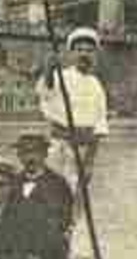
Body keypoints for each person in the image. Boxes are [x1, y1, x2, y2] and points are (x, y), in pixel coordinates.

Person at [38, 27, 108, 191]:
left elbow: (99, 125)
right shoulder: (60, 76)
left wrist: (90, 162)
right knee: (53, 190)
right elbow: (45, 92)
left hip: (83, 149)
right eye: (79, 50)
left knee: (77, 194)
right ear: (71, 54)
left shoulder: (96, 85)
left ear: (94, 55)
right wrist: (49, 69)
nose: (84, 54)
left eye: (89, 51)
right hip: (59, 147)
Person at [6, 133, 74, 259]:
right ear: (19, 156)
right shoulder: (12, 183)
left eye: (34, 152)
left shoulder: (58, 184)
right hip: (17, 251)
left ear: (44, 154)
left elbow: (62, 223)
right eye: (25, 153)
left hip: (47, 252)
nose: (30, 158)